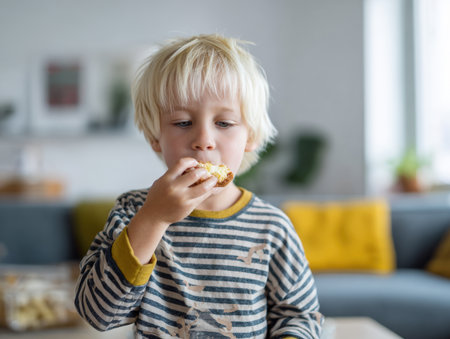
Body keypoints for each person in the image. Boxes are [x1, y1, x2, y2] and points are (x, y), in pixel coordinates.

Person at [74, 34, 323, 339]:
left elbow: (299, 316)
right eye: (182, 122)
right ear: (155, 137)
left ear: (251, 137)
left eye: (224, 123)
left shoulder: (272, 228)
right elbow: (98, 314)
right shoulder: (134, 213)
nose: (203, 140)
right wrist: (153, 219)